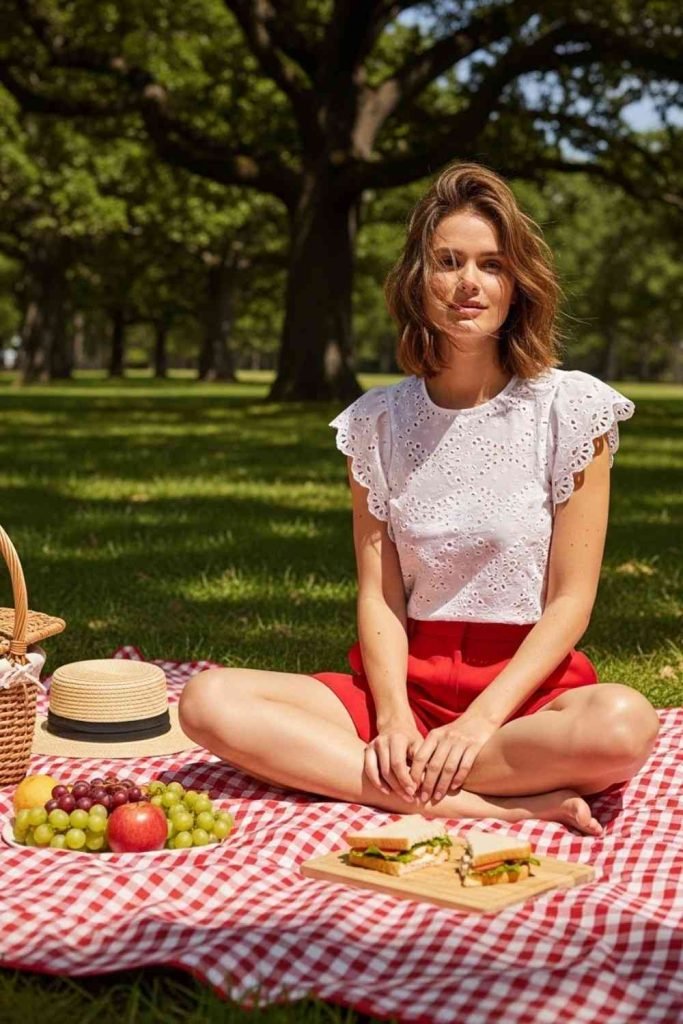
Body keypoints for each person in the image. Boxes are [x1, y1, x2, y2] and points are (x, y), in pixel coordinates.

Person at [179, 162, 660, 837]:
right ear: (418, 279)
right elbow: (379, 595)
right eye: (448, 261)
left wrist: (479, 722)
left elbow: (570, 601)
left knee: (623, 727)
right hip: (400, 683)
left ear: (516, 283)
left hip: (522, 693)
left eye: (491, 264)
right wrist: (396, 717)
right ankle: (491, 803)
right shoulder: (374, 423)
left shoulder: (571, 408)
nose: (469, 282)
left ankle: (377, 778)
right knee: (206, 700)